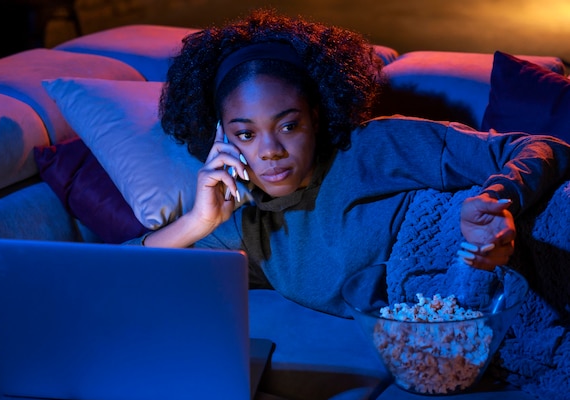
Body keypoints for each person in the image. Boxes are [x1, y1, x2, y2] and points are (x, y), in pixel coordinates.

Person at [128, 9, 570, 316]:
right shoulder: (250, 229)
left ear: (315, 117)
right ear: (221, 139)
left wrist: (500, 198)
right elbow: (120, 276)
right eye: (246, 134)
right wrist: (197, 221)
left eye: (287, 125)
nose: (269, 151)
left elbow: (544, 147)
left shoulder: (375, 146)